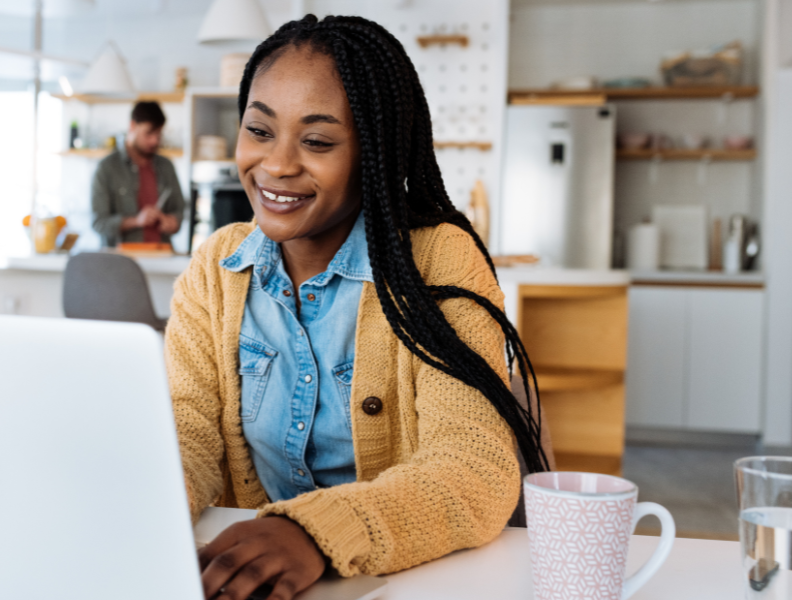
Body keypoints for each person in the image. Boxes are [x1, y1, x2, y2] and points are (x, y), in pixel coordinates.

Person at [164, 14, 549, 600]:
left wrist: (313, 533)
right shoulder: (216, 266)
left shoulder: (438, 260)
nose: (277, 165)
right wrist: (136, 507)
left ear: (374, 152)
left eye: (317, 141)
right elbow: (186, 436)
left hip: (403, 581)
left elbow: (473, 469)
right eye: (260, 130)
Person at [90, 101, 186, 247]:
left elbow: (179, 211)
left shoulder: (166, 166)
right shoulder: (107, 168)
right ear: (132, 126)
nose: (154, 141)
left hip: (162, 256)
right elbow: (98, 223)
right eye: (149, 133)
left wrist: (173, 221)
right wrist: (136, 220)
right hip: (122, 260)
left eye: (158, 134)